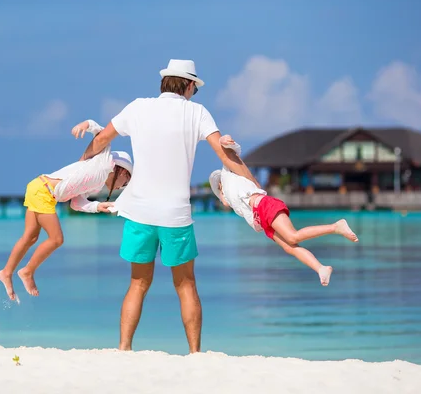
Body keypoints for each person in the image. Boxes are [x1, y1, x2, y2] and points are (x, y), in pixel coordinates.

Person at [77, 59, 260, 354]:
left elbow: (101, 140)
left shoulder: (137, 107)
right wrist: (256, 188)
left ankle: (124, 349)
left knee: (138, 283)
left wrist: (80, 168)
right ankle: (195, 354)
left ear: (165, 82)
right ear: (188, 85)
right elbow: (226, 157)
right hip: (175, 215)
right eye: (194, 89)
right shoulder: (196, 113)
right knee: (186, 285)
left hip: (139, 213)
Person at [0, 119, 133, 299]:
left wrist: (98, 206)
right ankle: (27, 271)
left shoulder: (97, 185)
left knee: (30, 237)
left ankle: (6, 272)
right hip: (44, 190)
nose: (122, 187)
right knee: (57, 239)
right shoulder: (104, 162)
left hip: (40, 188)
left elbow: (76, 203)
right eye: (126, 182)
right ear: (122, 171)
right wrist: (86, 125)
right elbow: (103, 135)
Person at [209, 134, 359, 286]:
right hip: (261, 219)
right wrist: (221, 193)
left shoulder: (230, 173)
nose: (220, 189)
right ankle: (321, 268)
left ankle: (336, 227)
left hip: (264, 205)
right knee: (290, 247)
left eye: (219, 187)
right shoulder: (230, 198)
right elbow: (226, 203)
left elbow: (230, 152)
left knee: (293, 237)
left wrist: (223, 140)